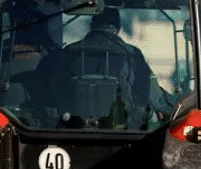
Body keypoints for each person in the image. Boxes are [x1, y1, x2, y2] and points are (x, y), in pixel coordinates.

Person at [34, 7, 167, 129]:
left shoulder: (68, 52)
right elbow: (154, 98)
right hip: (124, 135)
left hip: (71, 131)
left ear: (91, 27)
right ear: (118, 29)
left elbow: (50, 95)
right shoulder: (132, 55)